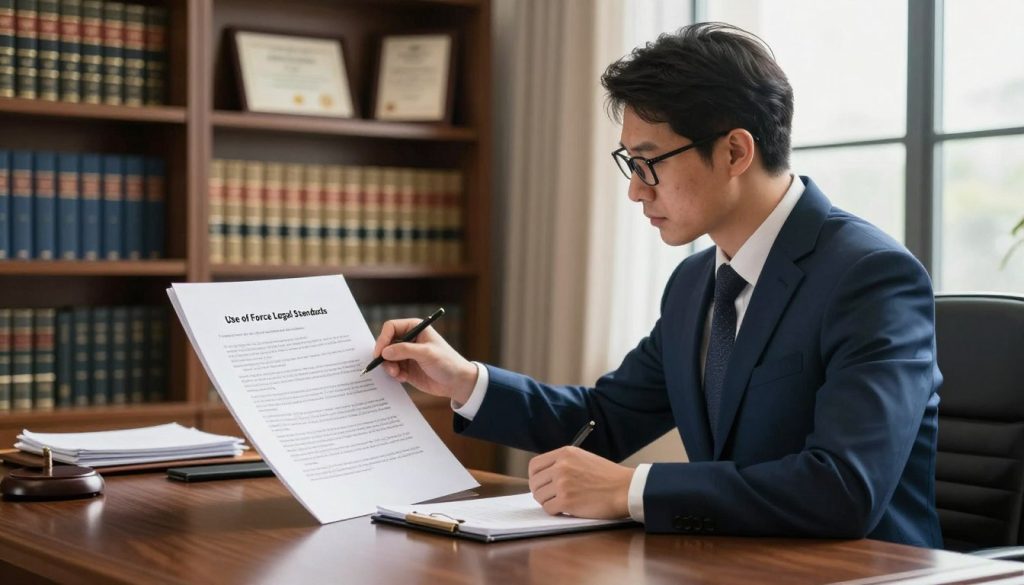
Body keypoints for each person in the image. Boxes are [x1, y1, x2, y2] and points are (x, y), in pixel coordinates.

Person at [372, 23, 943, 548]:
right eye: (631, 163)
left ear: (735, 152)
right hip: (730, 562)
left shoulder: (870, 277)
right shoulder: (697, 281)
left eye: (649, 162)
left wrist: (631, 490)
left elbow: (845, 488)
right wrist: (463, 379)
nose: (636, 191)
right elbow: (608, 418)